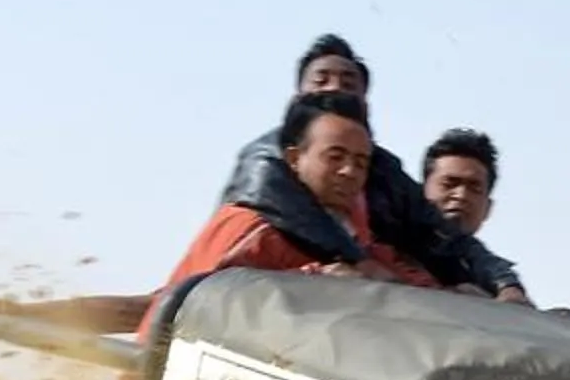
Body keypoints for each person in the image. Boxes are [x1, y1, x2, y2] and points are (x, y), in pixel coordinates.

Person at [217, 34, 534, 305]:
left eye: (359, 162)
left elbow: (443, 238)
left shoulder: (383, 178)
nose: (334, 89)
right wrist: (361, 266)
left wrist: (503, 285)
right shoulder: (257, 200)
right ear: (294, 158)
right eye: (321, 80)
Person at [156, 90, 439, 293]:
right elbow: (205, 302)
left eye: (360, 162)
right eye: (335, 157)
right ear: (294, 159)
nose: (349, 171)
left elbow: (397, 280)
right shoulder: (250, 227)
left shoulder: (356, 238)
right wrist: (314, 280)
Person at [419, 128, 500, 242]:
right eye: (449, 184)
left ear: (487, 208)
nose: (462, 195)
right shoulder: (389, 249)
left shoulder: (484, 260)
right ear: (421, 193)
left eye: (474, 188)